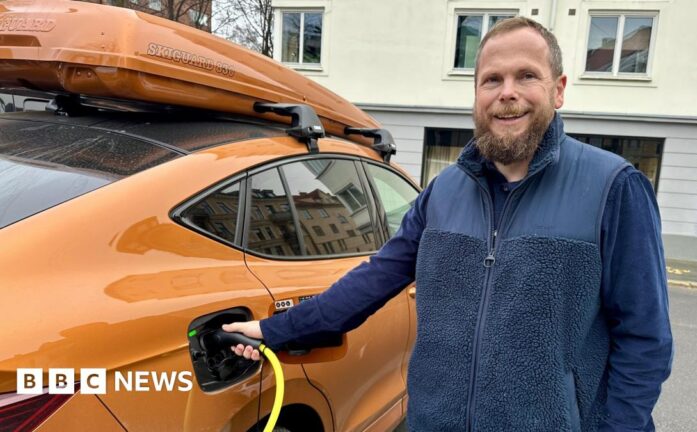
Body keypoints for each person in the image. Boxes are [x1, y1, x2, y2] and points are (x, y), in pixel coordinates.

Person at [223, 16, 673, 431]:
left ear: (558, 90)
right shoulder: (444, 191)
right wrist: (274, 330)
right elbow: (373, 279)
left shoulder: (614, 187)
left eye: (526, 76)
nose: (507, 92)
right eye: (491, 80)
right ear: (476, 94)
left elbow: (645, 342)